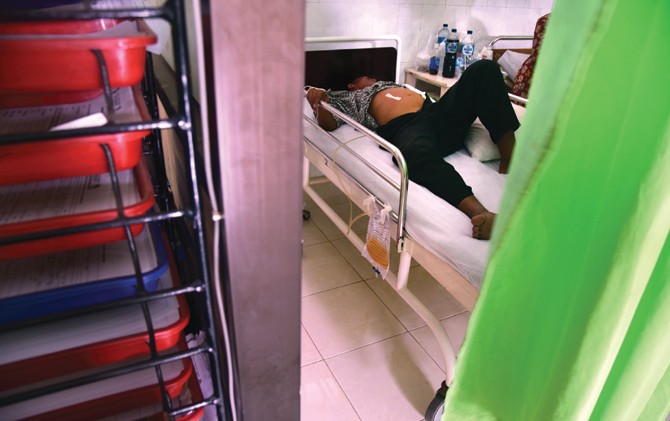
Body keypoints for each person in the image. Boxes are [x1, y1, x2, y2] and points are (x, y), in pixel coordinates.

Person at [305, 59, 519, 240]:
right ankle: (481, 213)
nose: (372, 80)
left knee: (484, 68)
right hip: (407, 126)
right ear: (352, 85)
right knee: (412, 155)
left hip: (437, 113)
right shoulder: (350, 97)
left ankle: (509, 159)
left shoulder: (394, 84)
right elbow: (329, 123)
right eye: (366, 78)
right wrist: (320, 100)